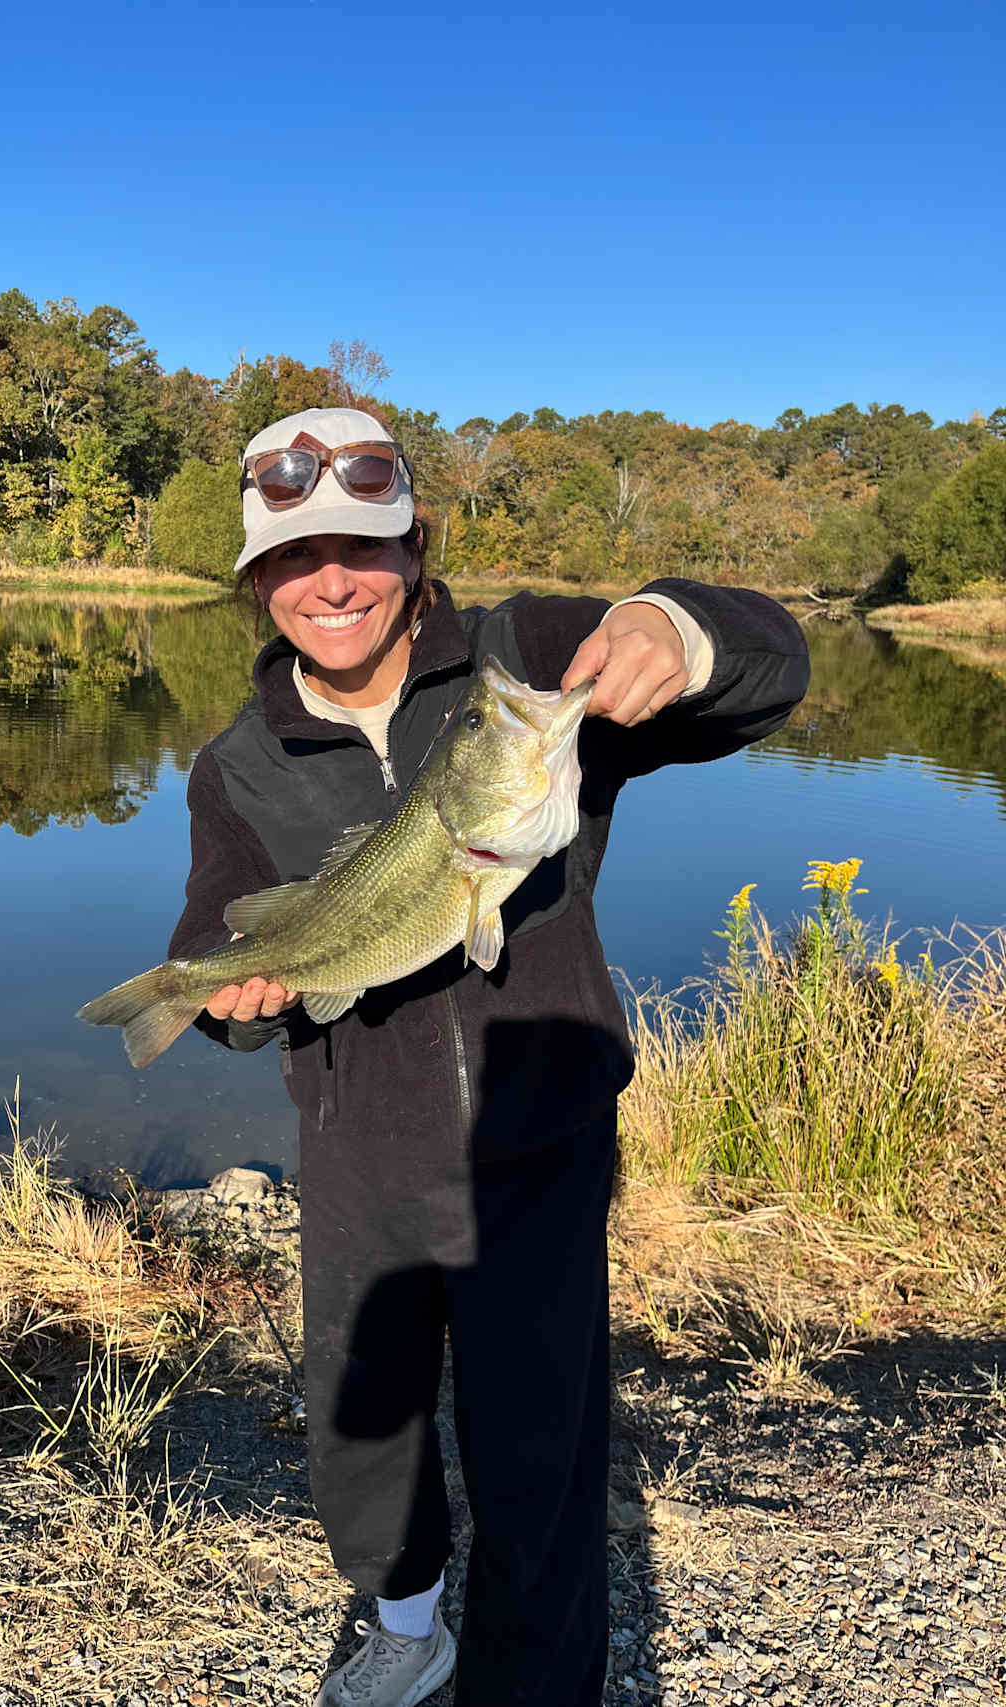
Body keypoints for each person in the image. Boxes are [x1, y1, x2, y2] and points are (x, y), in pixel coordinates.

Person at [168, 407, 810, 1706]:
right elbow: (213, 933)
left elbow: (772, 667)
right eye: (296, 558)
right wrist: (232, 1003)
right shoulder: (232, 763)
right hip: (357, 1148)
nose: (332, 580)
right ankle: (405, 1625)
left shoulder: (523, 662)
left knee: (541, 1445)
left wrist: (675, 628)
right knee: (370, 1427)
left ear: (413, 549)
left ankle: (541, 1677)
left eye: (363, 545)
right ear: (256, 581)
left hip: (542, 1134)